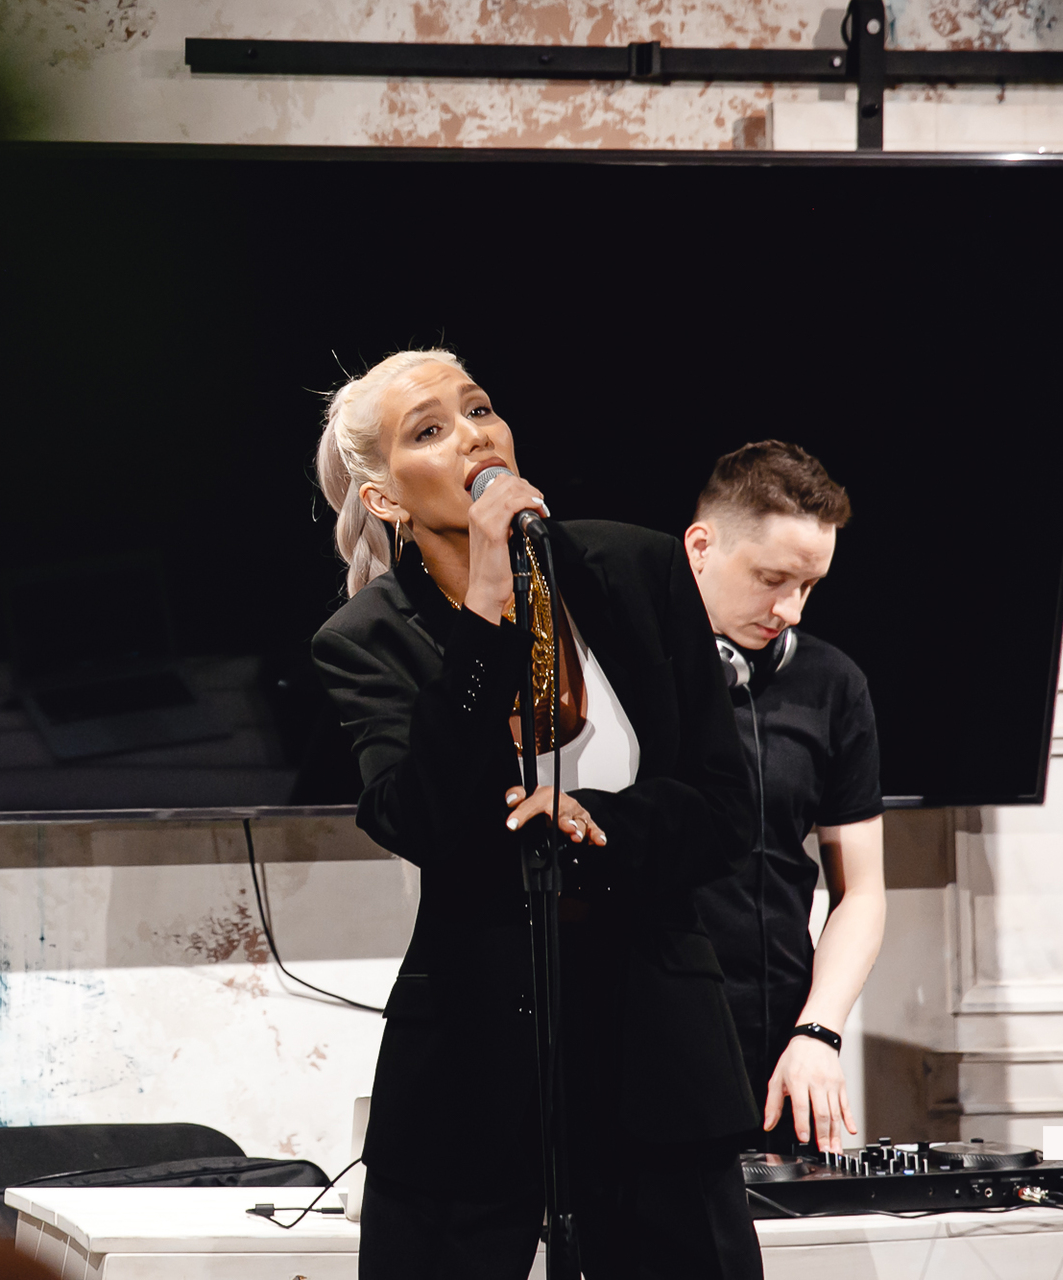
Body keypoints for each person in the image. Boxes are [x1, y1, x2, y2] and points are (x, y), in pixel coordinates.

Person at [311, 349, 763, 1280]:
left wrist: (594, 821)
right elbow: (422, 818)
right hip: (471, 1073)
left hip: (654, 1051)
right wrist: (485, 605)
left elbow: (725, 808)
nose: (473, 435)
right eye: (430, 430)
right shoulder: (368, 639)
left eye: (479, 410)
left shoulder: (636, 568)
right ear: (385, 498)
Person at [684, 443, 885, 1158]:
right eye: (771, 579)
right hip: (647, 1056)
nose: (789, 610)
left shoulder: (832, 684)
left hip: (779, 1057)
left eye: (808, 586)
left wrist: (818, 1032)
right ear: (700, 548)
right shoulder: (619, 675)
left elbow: (861, 891)